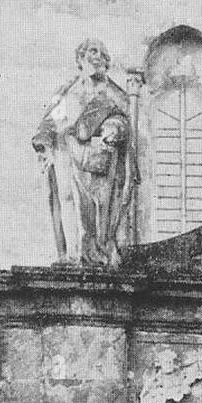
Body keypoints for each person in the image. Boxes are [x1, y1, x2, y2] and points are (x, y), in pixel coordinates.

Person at [33, 38, 135, 265]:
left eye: (101, 53)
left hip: (98, 155)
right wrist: (44, 139)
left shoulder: (113, 93)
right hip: (65, 151)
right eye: (92, 51)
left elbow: (123, 120)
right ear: (80, 58)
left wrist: (114, 128)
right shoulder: (69, 90)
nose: (97, 56)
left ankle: (96, 252)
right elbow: (52, 119)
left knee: (97, 206)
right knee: (67, 200)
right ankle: (71, 254)